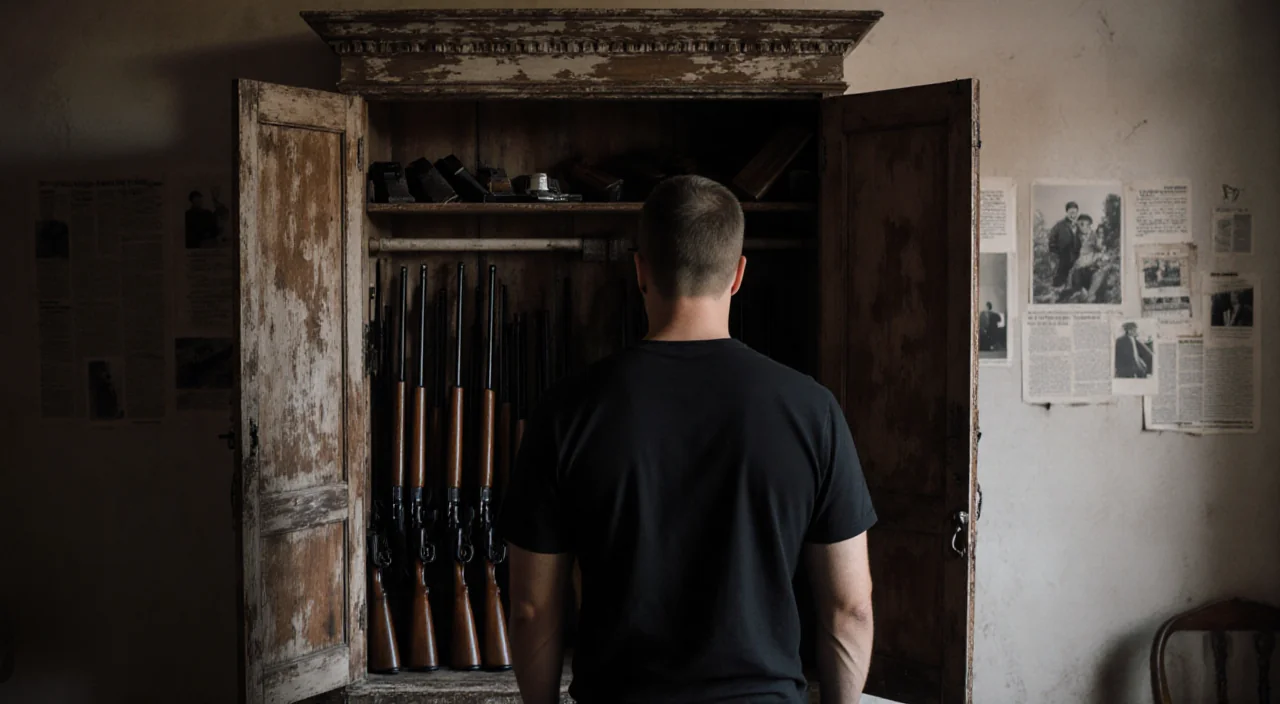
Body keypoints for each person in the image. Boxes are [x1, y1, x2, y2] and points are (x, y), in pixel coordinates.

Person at [499, 175, 877, 704]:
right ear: (739, 274)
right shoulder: (812, 412)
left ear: (640, 270)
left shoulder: (566, 411)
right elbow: (850, 608)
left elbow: (532, 608)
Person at [1048, 201, 1081, 288]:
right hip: (1062, 259)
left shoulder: (1079, 226)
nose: (1072, 215)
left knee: (1073, 283)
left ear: (1077, 213)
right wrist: (1056, 254)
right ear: (1067, 212)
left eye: (1074, 212)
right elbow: (1051, 240)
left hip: (1076, 259)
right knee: (1059, 282)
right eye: (1070, 212)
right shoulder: (1059, 225)